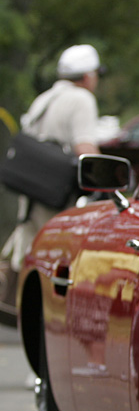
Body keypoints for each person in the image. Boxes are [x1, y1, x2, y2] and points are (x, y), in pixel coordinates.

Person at [2, 44, 103, 273]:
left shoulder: (44, 99)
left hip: (31, 191)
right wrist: (104, 181)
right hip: (57, 194)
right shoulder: (82, 99)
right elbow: (85, 148)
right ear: (88, 76)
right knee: (56, 257)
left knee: (28, 252)